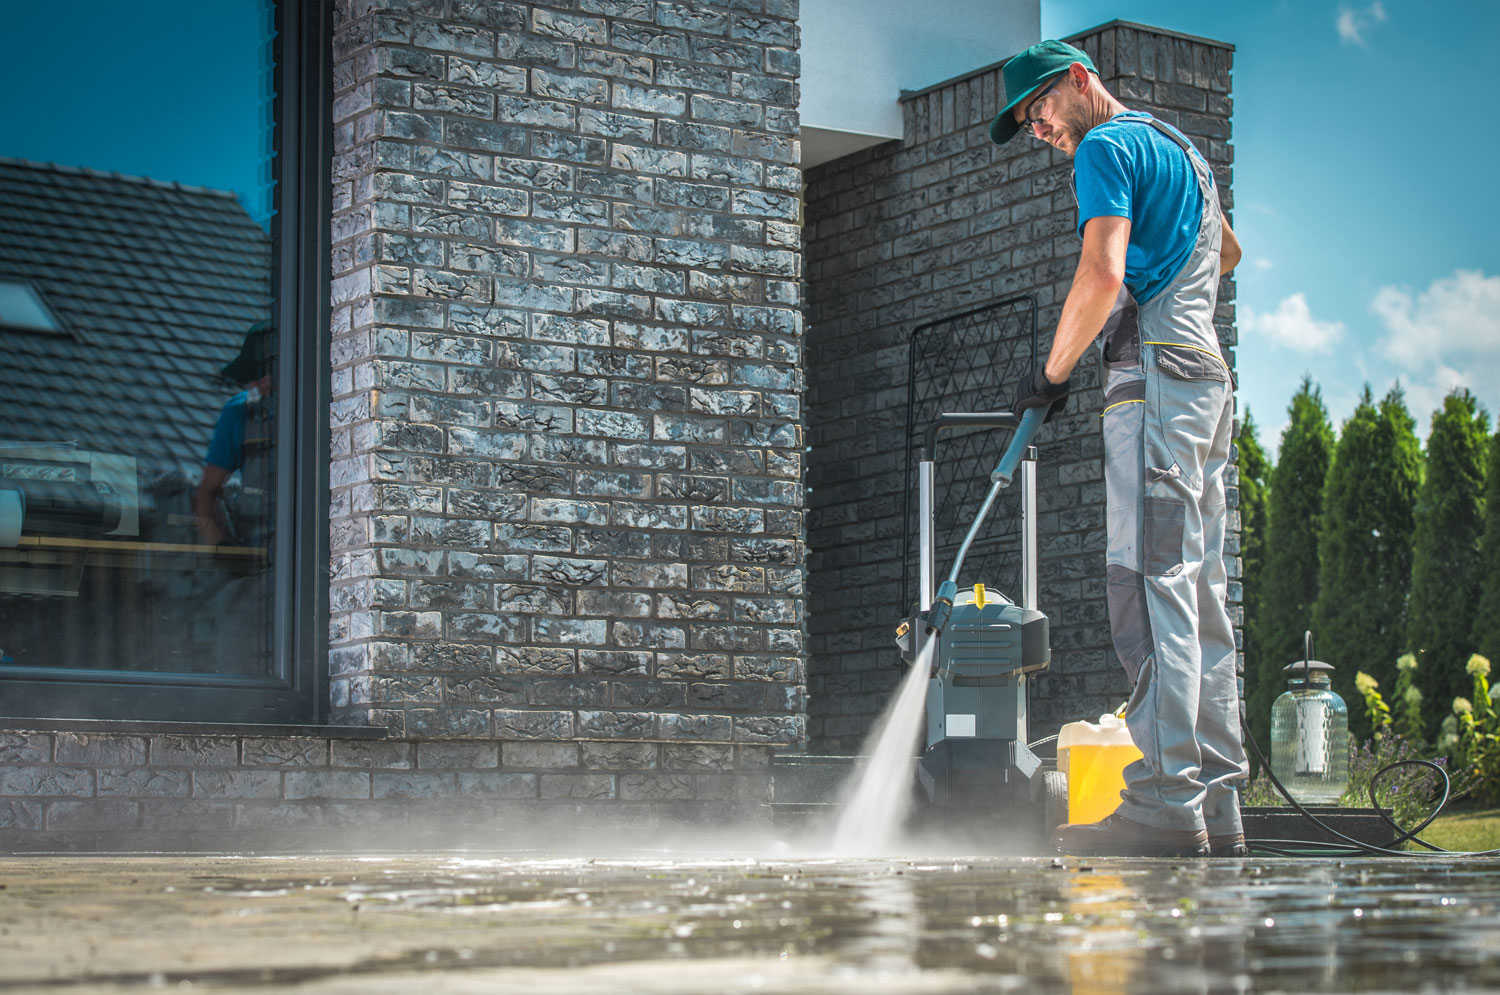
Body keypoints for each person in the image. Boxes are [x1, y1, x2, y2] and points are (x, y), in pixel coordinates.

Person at [991, 41, 1247, 857]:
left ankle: (1166, 799)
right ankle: (1216, 801)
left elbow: (1100, 275)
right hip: (1205, 379)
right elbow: (1228, 252)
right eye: (1028, 122)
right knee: (1199, 589)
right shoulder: (1183, 153)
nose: (1039, 128)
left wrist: (1050, 373)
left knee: (1148, 580)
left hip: (1157, 383)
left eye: (1039, 107)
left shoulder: (1104, 147)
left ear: (1078, 78)